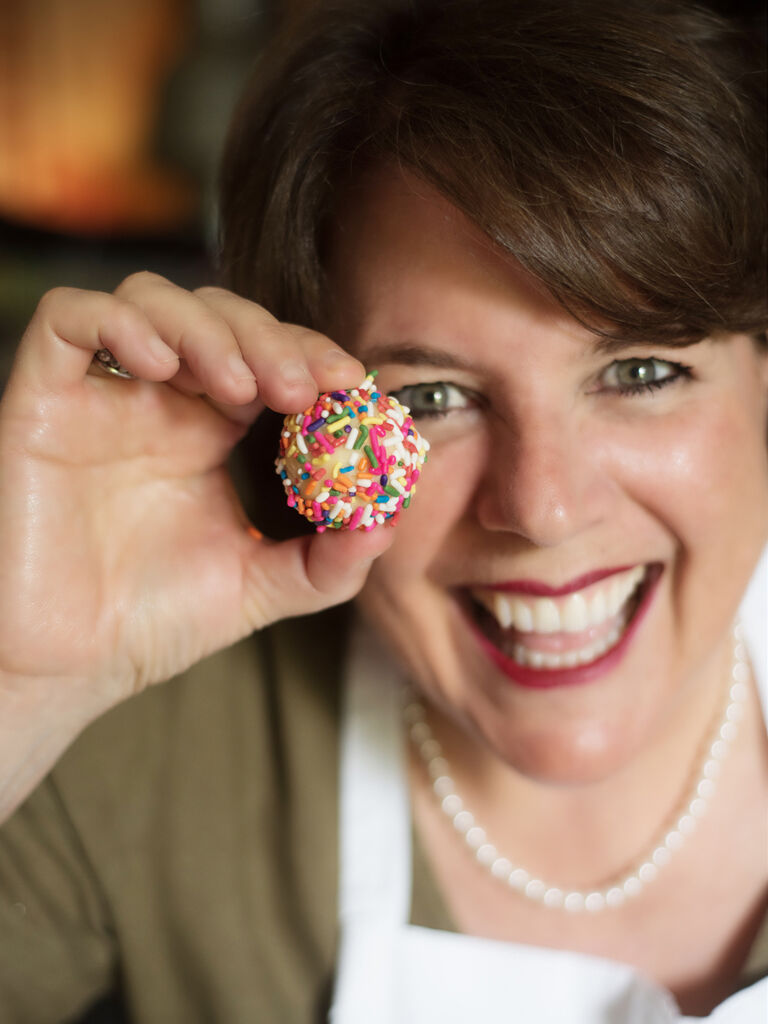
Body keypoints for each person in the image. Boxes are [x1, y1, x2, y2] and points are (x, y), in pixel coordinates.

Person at [0, 0, 766, 1020]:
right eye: (429, 398)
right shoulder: (142, 737)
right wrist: (18, 692)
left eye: (639, 369)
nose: (541, 507)